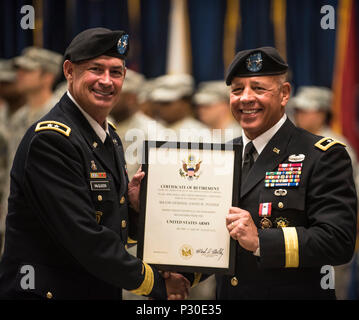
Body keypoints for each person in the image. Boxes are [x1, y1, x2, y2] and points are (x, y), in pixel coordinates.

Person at [0, 27, 190, 300]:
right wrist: (155, 283)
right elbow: (84, 237)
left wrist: (133, 210)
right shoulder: (52, 140)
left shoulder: (107, 136)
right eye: (95, 69)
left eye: (116, 72)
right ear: (69, 71)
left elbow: (107, 223)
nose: (106, 81)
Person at [217, 46, 357, 299]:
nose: (246, 98)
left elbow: (338, 242)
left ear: (284, 94)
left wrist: (261, 241)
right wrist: (183, 275)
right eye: (237, 90)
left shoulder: (322, 155)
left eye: (259, 88)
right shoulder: (223, 155)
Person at [289, 86, 359, 299]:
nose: (300, 115)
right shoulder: (295, 143)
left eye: (306, 110)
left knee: (330, 290)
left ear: (321, 112)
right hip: (301, 239)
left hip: (327, 233)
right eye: (298, 110)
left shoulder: (336, 146)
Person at [0, 47, 63, 242]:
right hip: (13, 217)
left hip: (45, 224)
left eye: (28, 70)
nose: (19, 75)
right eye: (19, 70)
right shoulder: (17, 117)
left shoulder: (60, 117)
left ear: (47, 76)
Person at [110, 69, 165, 180]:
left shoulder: (152, 132)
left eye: (115, 93)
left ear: (131, 98)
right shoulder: (101, 125)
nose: (108, 97)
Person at [149, 73, 211, 143]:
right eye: (158, 102)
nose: (160, 108)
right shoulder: (148, 129)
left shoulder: (200, 135)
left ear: (185, 102)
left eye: (167, 103)